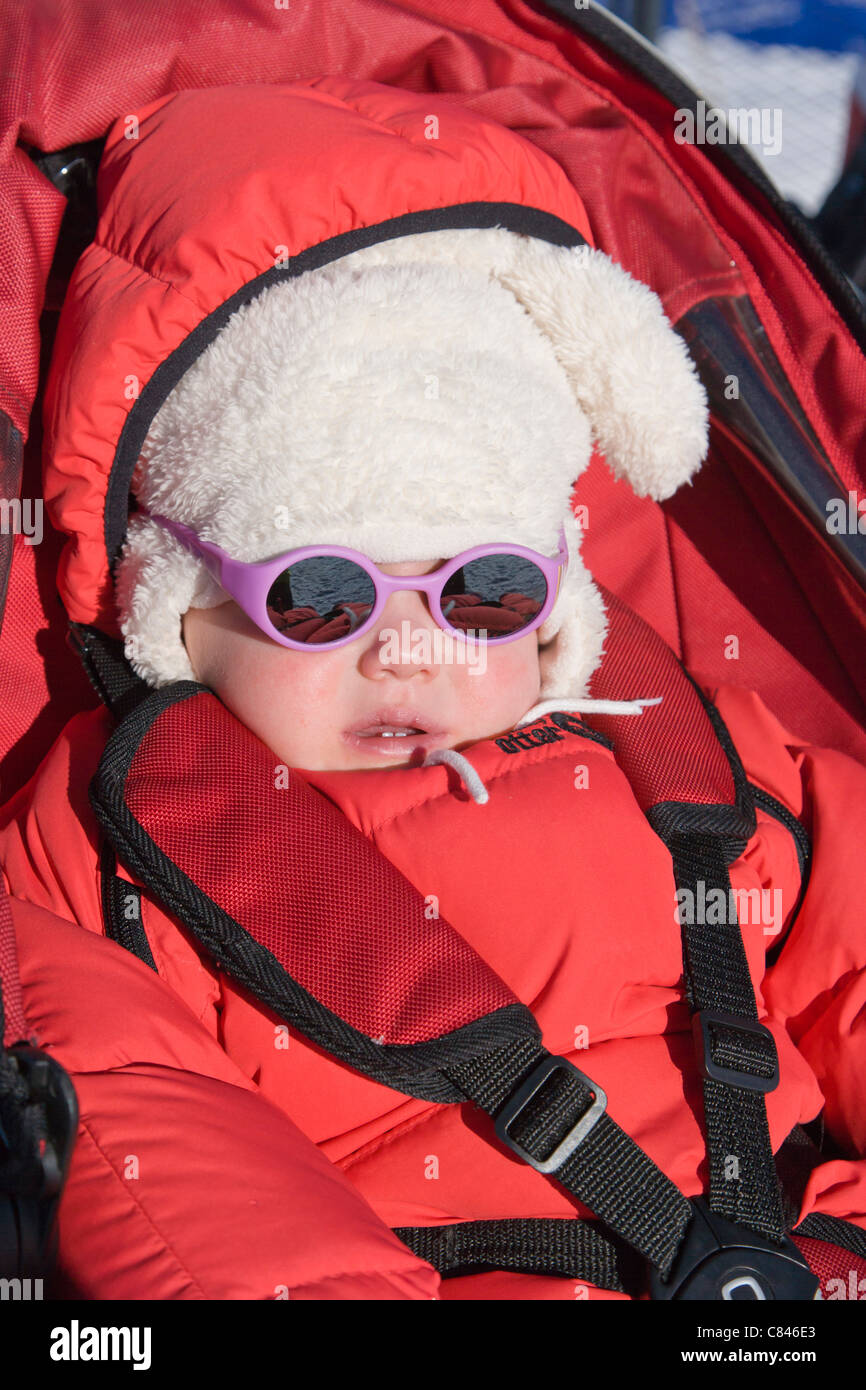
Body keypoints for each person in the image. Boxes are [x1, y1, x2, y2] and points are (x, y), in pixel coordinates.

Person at [1, 76, 864, 1300]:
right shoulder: (101, 858)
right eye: (320, 596)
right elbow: (179, 1187)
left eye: (483, 591)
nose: (409, 649)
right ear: (178, 609)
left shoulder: (696, 760)